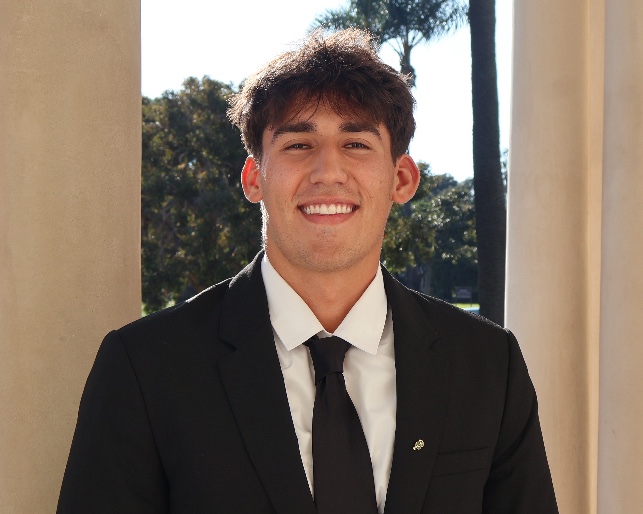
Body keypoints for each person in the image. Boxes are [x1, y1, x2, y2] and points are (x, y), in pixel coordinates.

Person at [57, 28, 558, 513]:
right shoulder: (145, 368)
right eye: (298, 144)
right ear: (254, 177)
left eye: (356, 144)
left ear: (401, 179)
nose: (327, 172)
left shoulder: (488, 365)